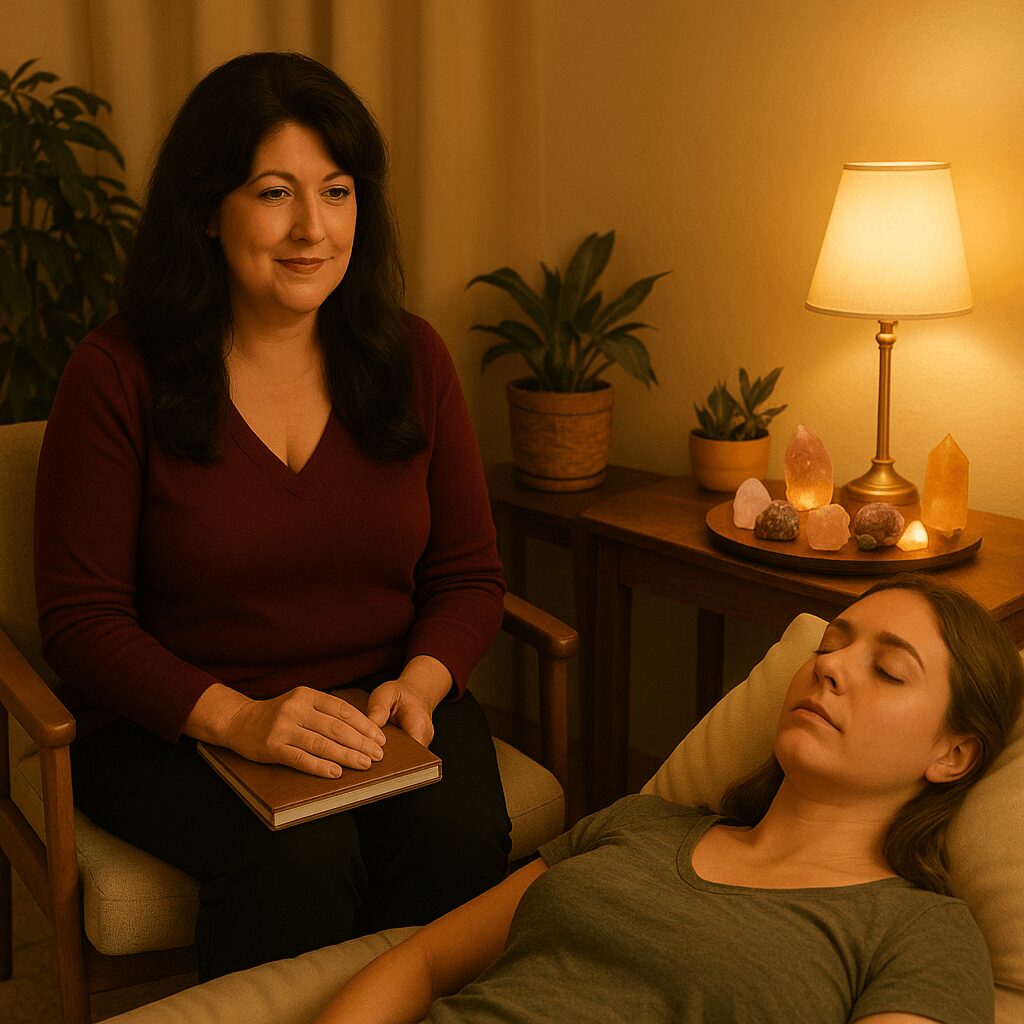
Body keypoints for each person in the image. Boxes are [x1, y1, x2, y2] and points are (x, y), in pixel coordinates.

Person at [33, 51, 510, 980]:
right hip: (175, 719)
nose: (311, 229)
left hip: (380, 699)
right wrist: (239, 722)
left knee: (460, 834)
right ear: (208, 209)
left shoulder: (412, 356)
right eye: (273, 193)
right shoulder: (116, 373)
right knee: (300, 857)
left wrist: (421, 683)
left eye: (335, 192)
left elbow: (467, 575)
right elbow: (81, 623)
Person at [315, 574, 1024, 1024]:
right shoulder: (641, 824)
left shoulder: (921, 933)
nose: (832, 666)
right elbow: (425, 963)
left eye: (890, 670)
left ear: (952, 754)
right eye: (831, 645)